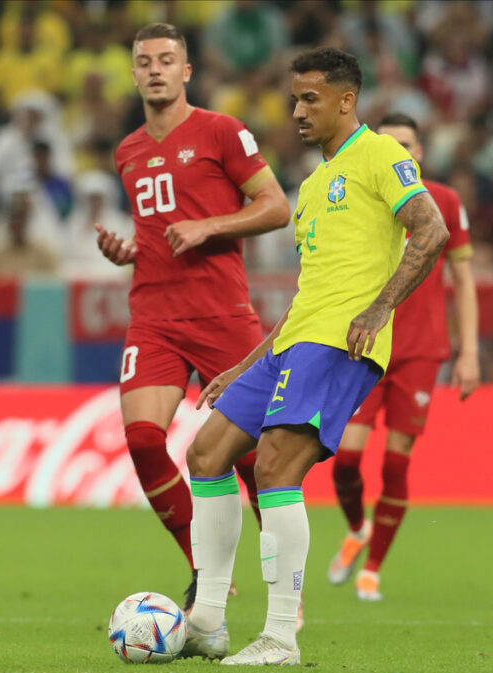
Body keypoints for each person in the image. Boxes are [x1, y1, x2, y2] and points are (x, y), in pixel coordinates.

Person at [181, 48, 448, 665]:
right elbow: (309, 296)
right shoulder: (310, 186)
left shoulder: (380, 154)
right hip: (293, 341)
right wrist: (244, 365)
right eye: (294, 98)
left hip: (341, 344)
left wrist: (380, 310)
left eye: (310, 99)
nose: (296, 110)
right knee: (207, 453)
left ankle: (280, 636)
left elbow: (430, 228)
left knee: (275, 467)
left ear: (345, 101)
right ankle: (208, 621)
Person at [94, 23, 291, 611]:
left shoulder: (221, 131)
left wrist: (211, 225)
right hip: (152, 314)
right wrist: (128, 249)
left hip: (220, 313)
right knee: (143, 439)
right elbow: (156, 228)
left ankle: (285, 587)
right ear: (133, 75)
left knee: (257, 459)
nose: (155, 69)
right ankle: (206, 571)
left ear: (187, 72)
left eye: (166, 60)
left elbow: (276, 206)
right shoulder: (126, 152)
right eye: (144, 61)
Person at [326, 113, 480, 602]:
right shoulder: (361, 198)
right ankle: (357, 529)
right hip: (367, 344)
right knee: (345, 458)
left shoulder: (446, 202)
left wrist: (470, 351)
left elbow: (465, 280)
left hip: (419, 352)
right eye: (388, 144)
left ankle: (372, 569)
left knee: (396, 464)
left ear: (420, 151)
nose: (399, 151)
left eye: (407, 144)